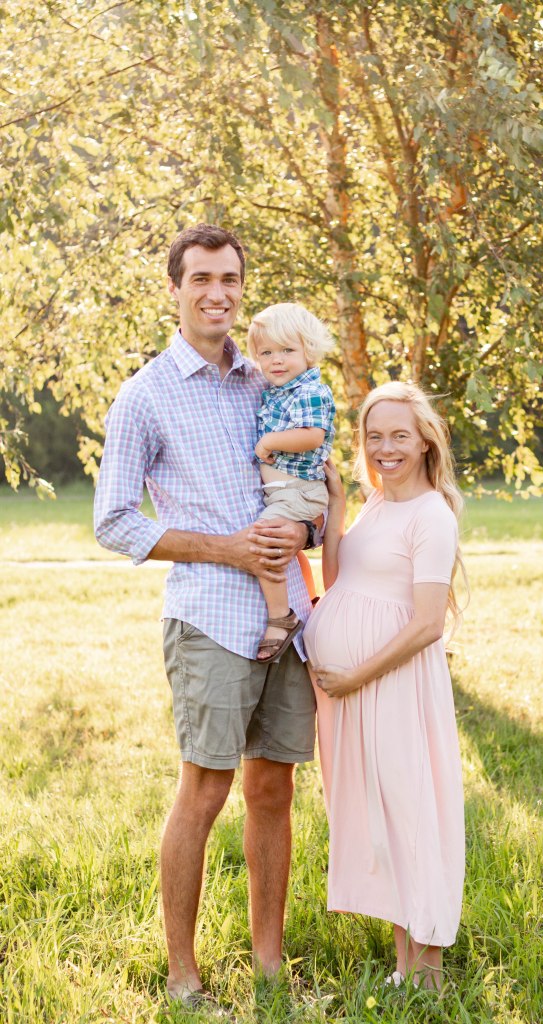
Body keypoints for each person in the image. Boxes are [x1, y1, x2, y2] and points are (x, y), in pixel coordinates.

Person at [94, 224, 318, 1015]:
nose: (217, 294)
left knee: (273, 789)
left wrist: (307, 529)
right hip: (210, 619)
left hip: (286, 615)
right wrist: (224, 549)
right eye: (201, 279)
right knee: (204, 789)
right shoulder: (146, 394)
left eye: (229, 279)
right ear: (175, 289)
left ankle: (269, 965)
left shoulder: (271, 378)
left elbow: (311, 475)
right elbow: (113, 520)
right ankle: (182, 974)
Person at [304, 381, 466, 991]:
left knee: (411, 812)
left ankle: (429, 975)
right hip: (352, 693)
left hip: (391, 686)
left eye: (399, 435)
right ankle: (407, 967)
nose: (385, 448)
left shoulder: (431, 515)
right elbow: (340, 582)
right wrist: (339, 508)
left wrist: (355, 675)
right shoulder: (377, 502)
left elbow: (427, 624)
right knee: (382, 817)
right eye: (374, 436)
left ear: (425, 441)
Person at [246, 303, 335, 663]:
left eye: (287, 350)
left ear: (308, 351)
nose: (276, 360)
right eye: (266, 353)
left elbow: (313, 435)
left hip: (299, 492)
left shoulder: (309, 391)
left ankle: (281, 617)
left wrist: (268, 442)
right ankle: (289, 608)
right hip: (285, 493)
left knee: (265, 543)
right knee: (273, 544)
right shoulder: (278, 391)